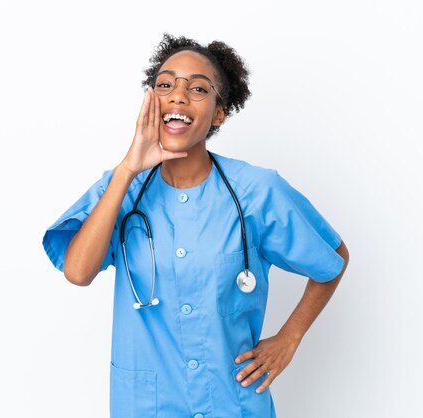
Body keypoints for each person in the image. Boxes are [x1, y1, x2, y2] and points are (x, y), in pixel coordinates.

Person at [42, 33, 350, 418]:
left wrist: (291, 337)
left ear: (219, 113)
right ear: (151, 100)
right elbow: (78, 271)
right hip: (147, 406)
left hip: (233, 403)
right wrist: (127, 169)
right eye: (165, 84)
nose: (178, 96)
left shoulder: (257, 190)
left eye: (198, 88)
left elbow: (332, 258)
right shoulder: (121, 189)